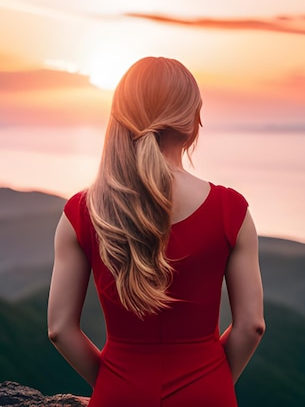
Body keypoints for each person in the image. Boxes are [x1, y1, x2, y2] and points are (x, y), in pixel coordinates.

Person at [48, 56, 265, 407]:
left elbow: (59, 329)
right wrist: (213, 378)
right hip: (208, 393)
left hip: (119, 393)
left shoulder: (81, 213)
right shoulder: (231, 211)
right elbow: (252, 325)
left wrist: (113, 382)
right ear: (192, 122)